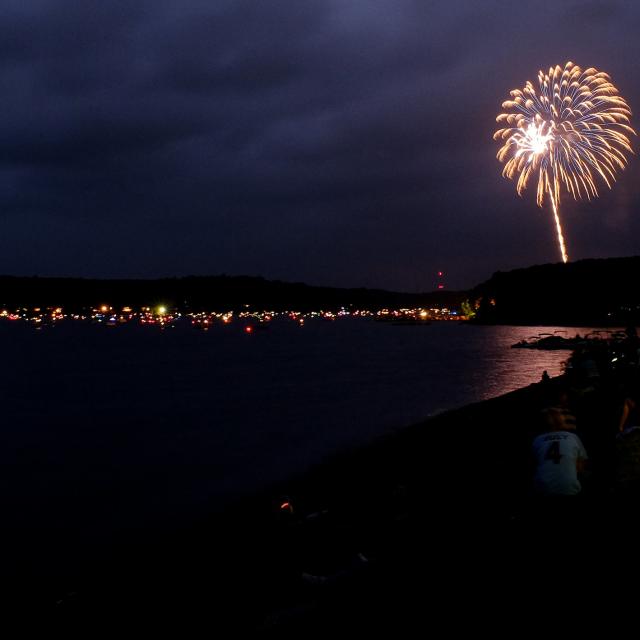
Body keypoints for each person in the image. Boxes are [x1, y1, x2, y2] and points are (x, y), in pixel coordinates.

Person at [532, 390, 588, 497]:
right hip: (570, 490)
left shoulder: (537, 440)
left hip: (542, 490)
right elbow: (581, 466)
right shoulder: (573, 437)